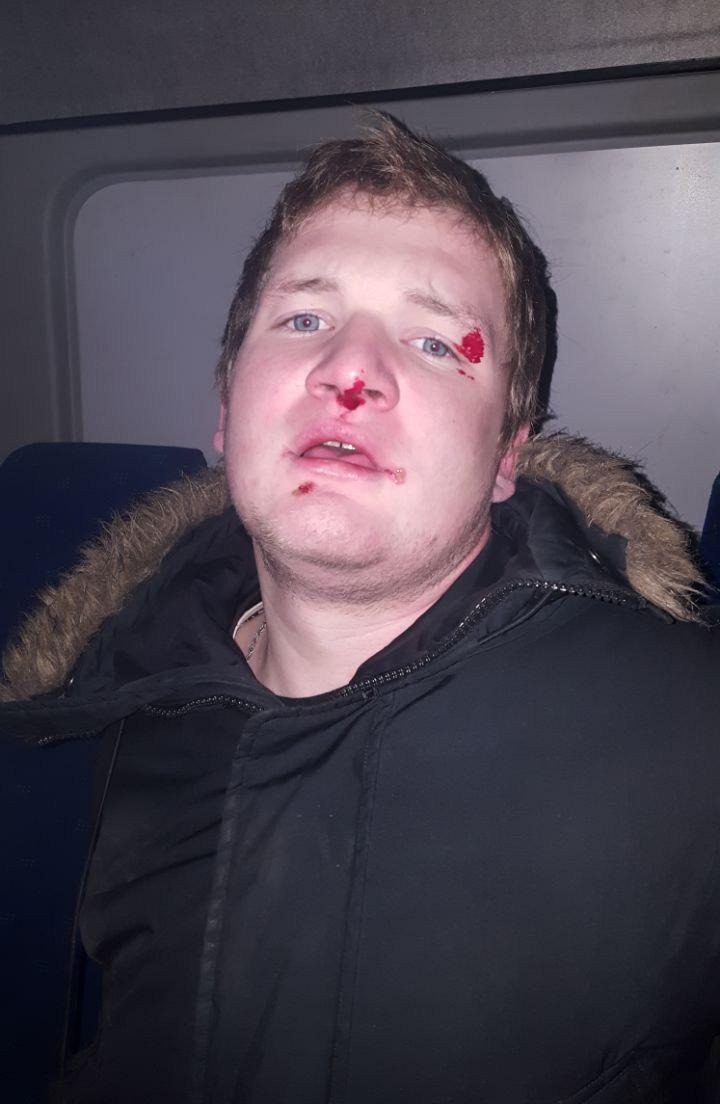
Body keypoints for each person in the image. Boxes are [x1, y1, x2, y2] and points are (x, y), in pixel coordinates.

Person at [2, 114, 719, 1104]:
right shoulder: (89, 717)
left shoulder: (687, 734)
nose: (349, 372)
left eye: (433, 340)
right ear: (225, 407)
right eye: (305, 319)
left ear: (507, 452)